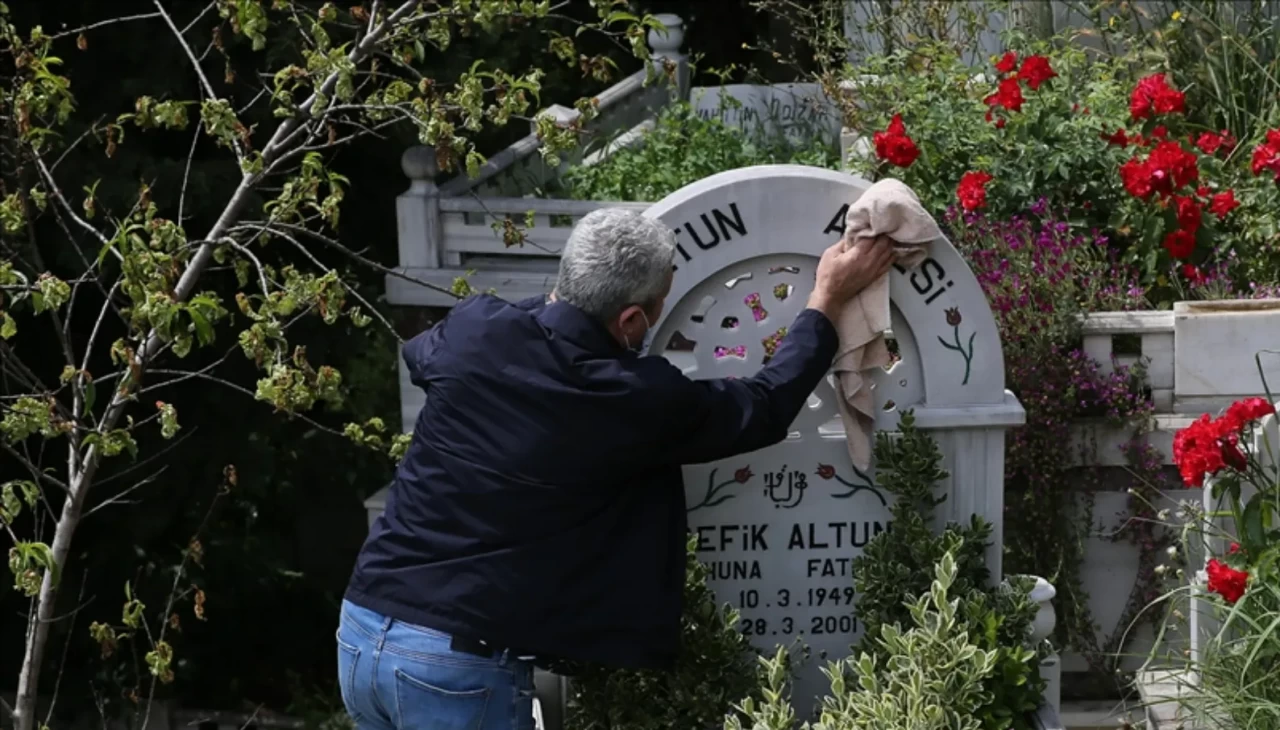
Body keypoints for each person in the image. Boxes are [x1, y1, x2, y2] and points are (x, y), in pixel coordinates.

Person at [337, 208, 894, 730]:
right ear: (630, 320)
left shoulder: (476, 328)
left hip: (362, 629)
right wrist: (825, 299)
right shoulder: (628, 397)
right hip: (457, 669)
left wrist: (557, 311)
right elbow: (763, 406)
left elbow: (421, 356)